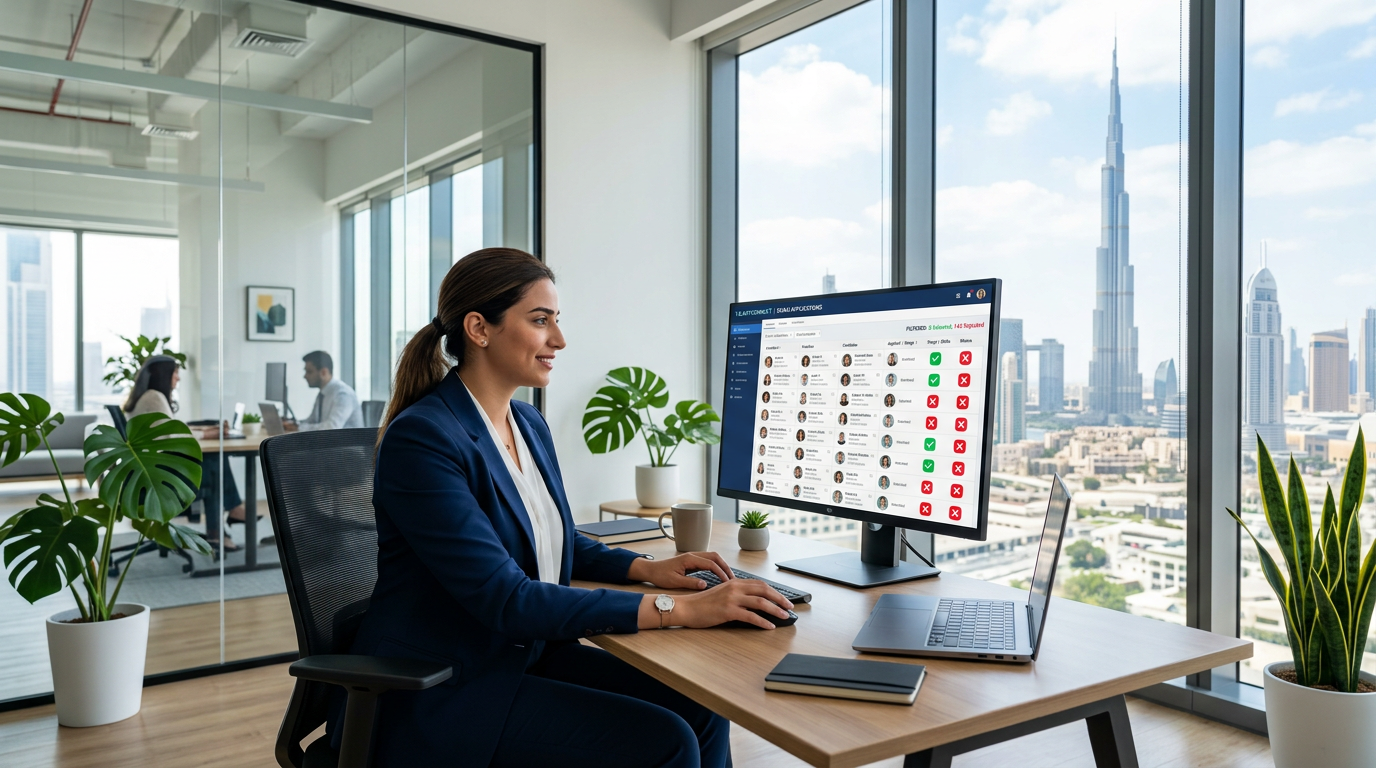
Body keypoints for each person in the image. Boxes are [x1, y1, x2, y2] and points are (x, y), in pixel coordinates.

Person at [338, 248, 791, 767]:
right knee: (664, 743)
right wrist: (682, 609)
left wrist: (645, 568)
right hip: (449, 685)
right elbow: (507, 599)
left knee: (703, 709)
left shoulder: (527, 424)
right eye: (540, 320)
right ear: (479, 329)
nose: (559, 339)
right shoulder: (423, 439)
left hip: (523, 654)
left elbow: (552, 537)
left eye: (557, 319)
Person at [123, 356, 245, 552]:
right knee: (214, 461)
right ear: (164, 375)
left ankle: (227, 521)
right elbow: (171, 435)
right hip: (157, 482)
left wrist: (205, 431)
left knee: (213, 461)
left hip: (148, 475)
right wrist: (207, 433)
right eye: (175, 373)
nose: (178, 379)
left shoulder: (146, 396)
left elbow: (170, 429)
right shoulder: (153, 397)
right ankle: (221, 528)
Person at [288, 351, 363, 431]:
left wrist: (299, 428)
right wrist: (293, 424)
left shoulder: (343, 394)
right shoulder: (323, 394)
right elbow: (313, 420)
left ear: (323, 372)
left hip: (346, 443)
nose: (305, 376)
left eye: (309, 372)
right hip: (328, 441)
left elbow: (332, 427)